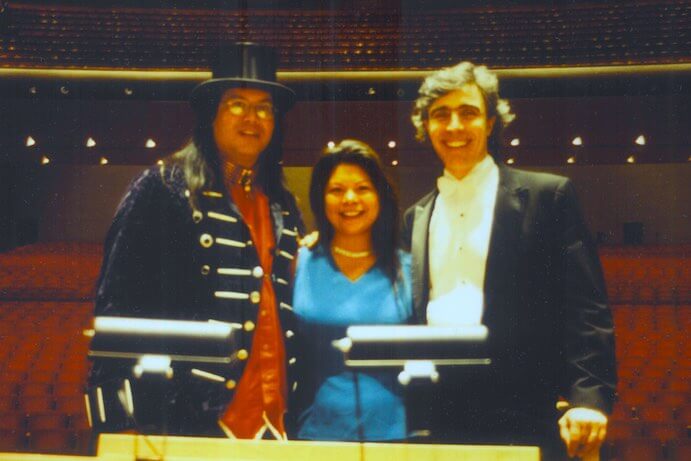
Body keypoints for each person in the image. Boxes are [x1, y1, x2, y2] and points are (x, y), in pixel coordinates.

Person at [87, 42, 304, 439]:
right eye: (237, 103)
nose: (252, 117)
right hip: (191, 420)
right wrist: (120, 421)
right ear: (211, 114)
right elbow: (115, 305)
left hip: (277, 423)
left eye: (264, 107)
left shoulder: (283, 204)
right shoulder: (163, 187)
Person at [401, 62, 617, 459]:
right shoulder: (414, 218)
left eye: (467, 112)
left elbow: (586, 308)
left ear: (490, 122)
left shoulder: (546, 196)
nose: (454, 126)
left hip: (522, 412)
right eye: (440, 115)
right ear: (425, 127)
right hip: (435, 416)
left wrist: (588, 396)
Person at [292, 140, 413, 441]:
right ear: (321, 198)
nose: (349, 199)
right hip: (315, 434)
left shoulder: (410, 268)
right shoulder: (300, 261)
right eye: (336, 190)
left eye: (362, 188)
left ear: (380, 196)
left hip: (396, 435)